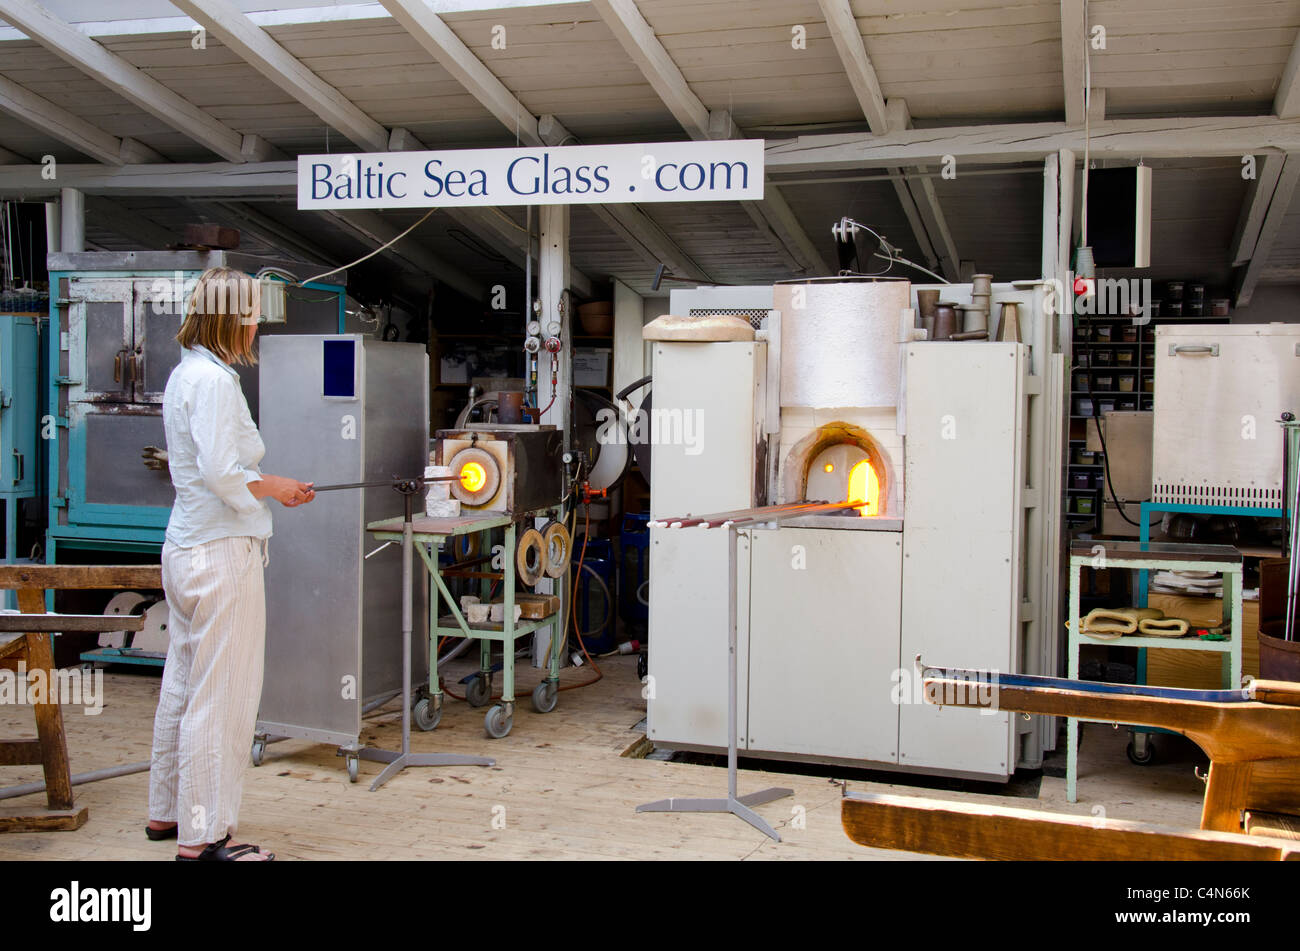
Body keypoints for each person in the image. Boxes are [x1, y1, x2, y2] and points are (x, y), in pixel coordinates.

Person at [145, 266, 315, 861]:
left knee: (185, 684)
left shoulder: (185, 373)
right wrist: (276, 486)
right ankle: (207, 837)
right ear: (231, 318)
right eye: (251, 315)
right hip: (221, 555)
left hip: (184, 549)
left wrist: (268, 488)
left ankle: (167, 813)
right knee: (224, 695)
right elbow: (222, 471)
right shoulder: (216, 383)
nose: (254, 328)